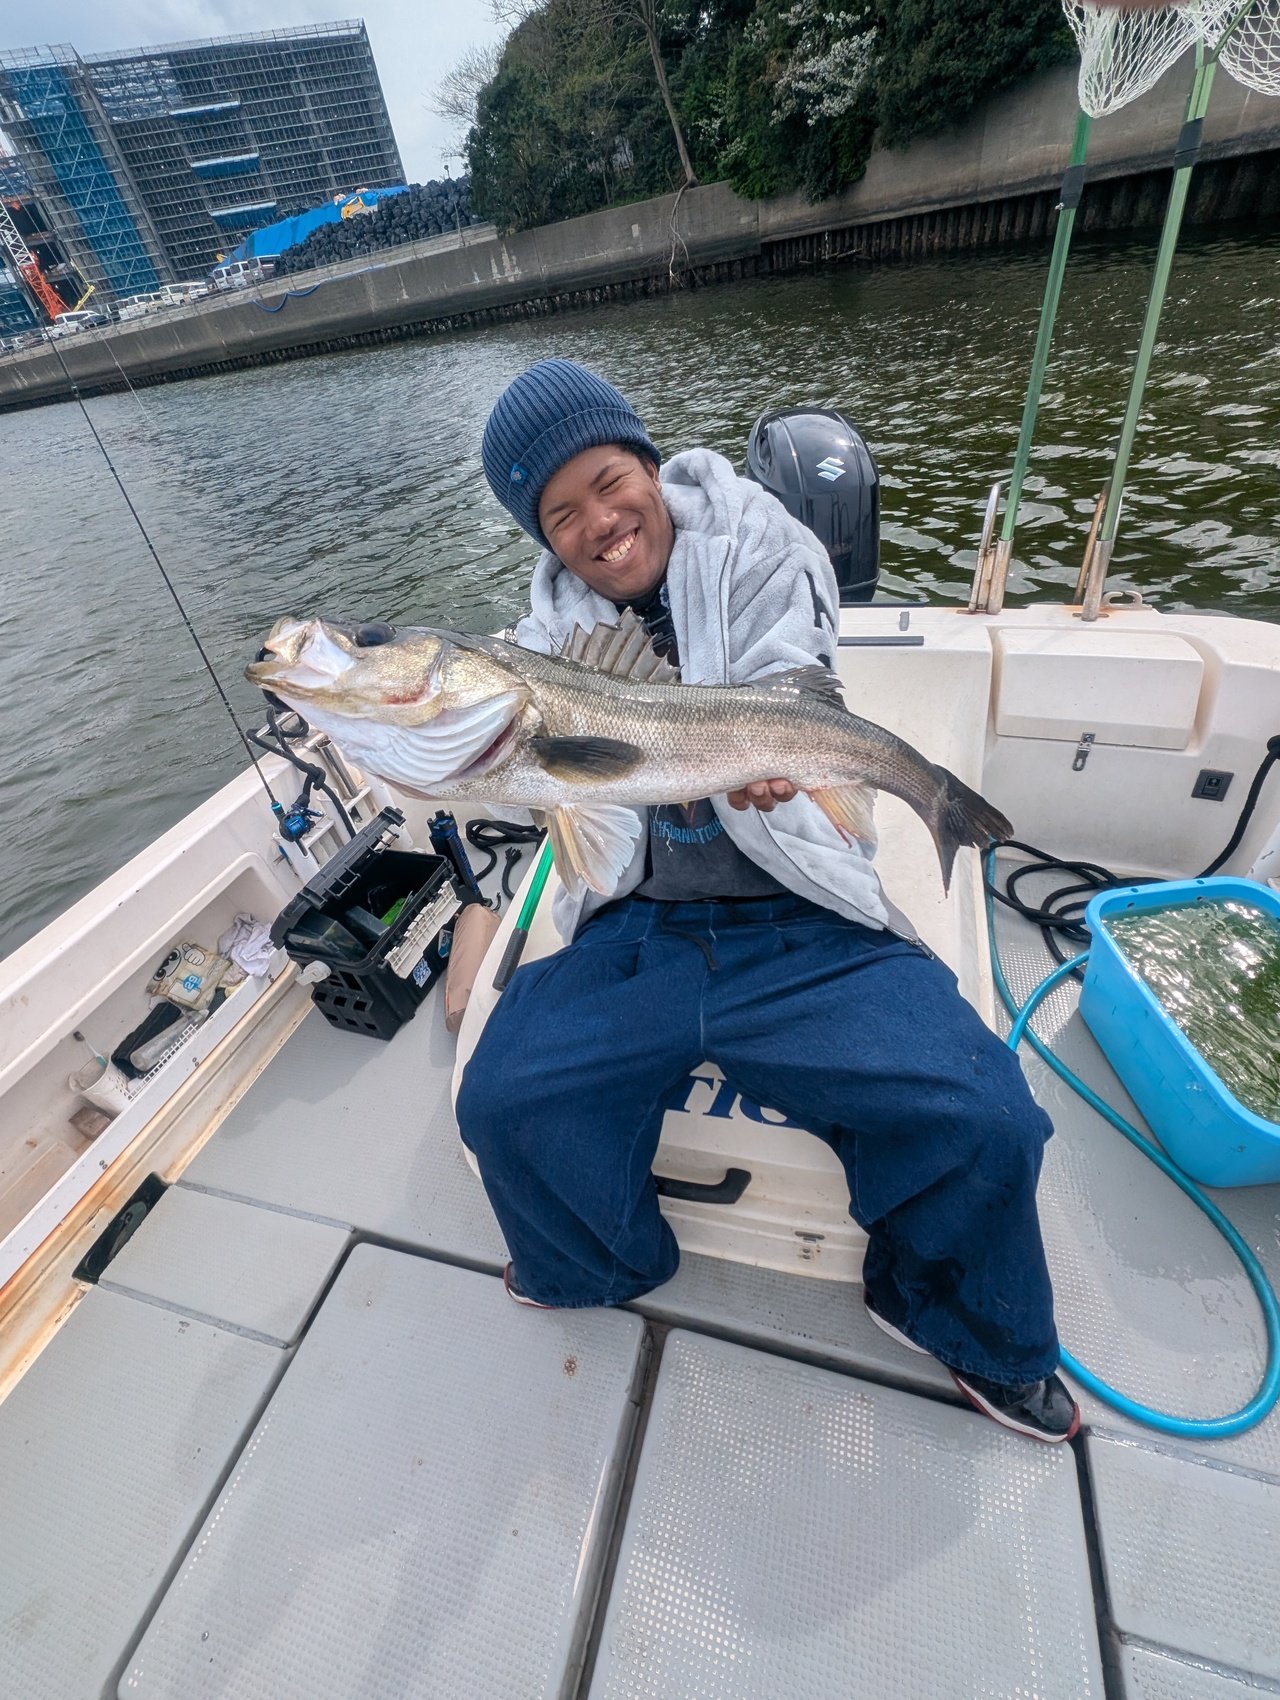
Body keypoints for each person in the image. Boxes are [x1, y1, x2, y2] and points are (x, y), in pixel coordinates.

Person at [457, 358, 1079, 1443]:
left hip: (796, 913)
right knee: (503, 1099)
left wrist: (773, 771)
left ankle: (950, 1316)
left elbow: (795, 680)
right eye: (560, 515)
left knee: (985, 1114)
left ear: (647, 463)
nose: (599, 523)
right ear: (543, 539)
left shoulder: (763, 542)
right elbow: (561, 807)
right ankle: (597, 1261)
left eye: (609, 481)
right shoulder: (542, 646)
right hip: (640, 928)